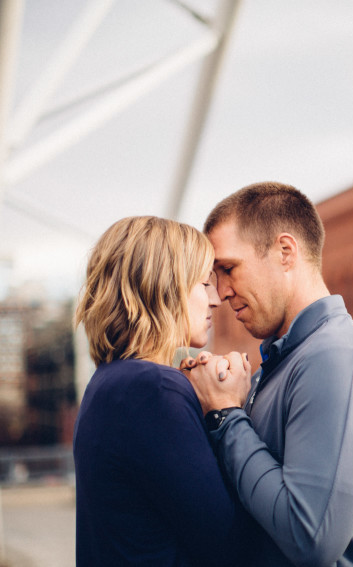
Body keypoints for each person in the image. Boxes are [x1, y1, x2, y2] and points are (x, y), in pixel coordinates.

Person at [184, 182, 353, 566]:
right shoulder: (285, 362)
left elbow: (311, 538)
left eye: (228, 269)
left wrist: (226, 416)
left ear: (285, 252)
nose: (220, 293)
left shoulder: (337, 356)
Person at [72, 216, 253, 566]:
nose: (215, 299)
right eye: (204, 284)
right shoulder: (153, 389)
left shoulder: (110, 383)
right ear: (165, 288)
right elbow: (230, 544)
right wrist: (226, 409)